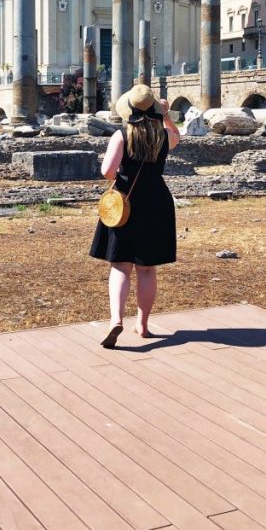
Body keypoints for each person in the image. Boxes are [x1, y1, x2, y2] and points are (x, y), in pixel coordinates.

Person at [89, 83, 181, 348]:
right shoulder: (163, 135)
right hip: (156, 201)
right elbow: (177, 137)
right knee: (147, 268)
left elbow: (107, 171)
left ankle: (116, 320)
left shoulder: (121, 134)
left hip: (125, 202)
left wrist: (121, 174)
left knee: (120, 265)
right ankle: (142, 324)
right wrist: (166, 115)